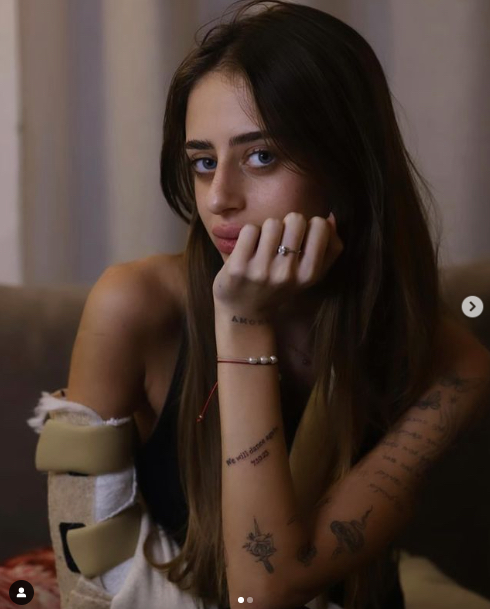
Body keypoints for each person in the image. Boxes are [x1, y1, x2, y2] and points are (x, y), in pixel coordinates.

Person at [28, 1, 490, 608]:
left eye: (261, 156)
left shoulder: (449, 362)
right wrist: (241, 318)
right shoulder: (134, 304)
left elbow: (263, 589)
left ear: (348, 165)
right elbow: (88, 576)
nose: (219, 197)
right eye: (203, 161)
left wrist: (243, 324)